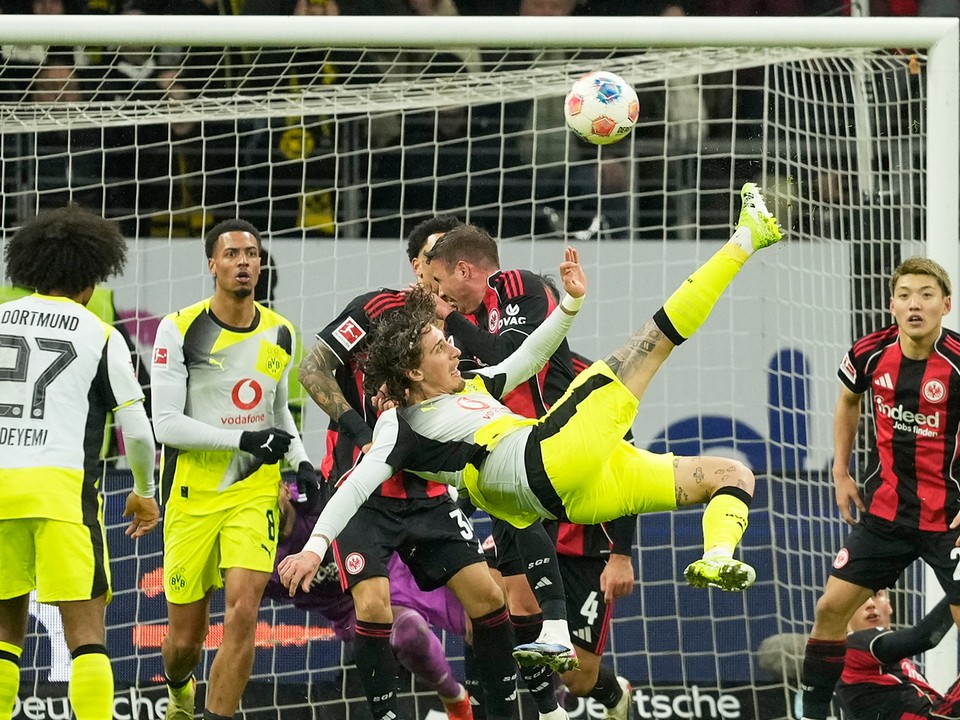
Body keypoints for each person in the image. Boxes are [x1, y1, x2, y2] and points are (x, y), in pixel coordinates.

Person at [281, 181, 782, 606]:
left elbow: (526, 358)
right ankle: (746, 237)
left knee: (731, 474)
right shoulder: (399, 427)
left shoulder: (473, 385)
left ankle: (718, 556)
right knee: (651, 342)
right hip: (549, 457)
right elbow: (353, 484)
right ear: (413, 371)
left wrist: (569, 306)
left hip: (570, 498)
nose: (454, 351)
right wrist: (314, 546)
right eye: (440, 347)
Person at [296, 215, 521, 720]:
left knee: (487, 597)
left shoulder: (460, 328)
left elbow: (505, 372)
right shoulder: (377, 309)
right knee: (374, 608)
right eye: (436, 261)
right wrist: (360, 431)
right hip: (364, 486)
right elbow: (311, 368)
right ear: (420, 266)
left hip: (430, 490)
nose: (448, 276)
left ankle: (502, 711)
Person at [150, 218, 317, 720]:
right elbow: (165, 425)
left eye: (251, 253)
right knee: (185, 639)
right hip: (191, 492)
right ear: (212, 265)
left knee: (244, 611)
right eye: (231, 254)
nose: (243, 262)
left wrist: (301, 461)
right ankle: (180, 690)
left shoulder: (281, 332)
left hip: (254, 491)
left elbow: (277, 408)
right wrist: (243, 438)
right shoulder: (179, 328)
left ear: (260, 264)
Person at [0, 204, 160, 720]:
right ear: (92, 279)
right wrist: (143, 489)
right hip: (63, 496)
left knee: (4, 633)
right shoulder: (100, 333)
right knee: (86, 635)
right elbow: (136, 429)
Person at [799, 255, 960, 720]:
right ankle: (812, 715)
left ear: (945, 305)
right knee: (830, 610)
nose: (915, 304)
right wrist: (841, 472)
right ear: (891, 304)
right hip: (886, 514)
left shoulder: (958, 363)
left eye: (926, 295)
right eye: (906, 295)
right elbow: (848, 400)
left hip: (946, 518)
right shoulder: (868, 352)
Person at [263, 481, 473, 720]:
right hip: (352, 611)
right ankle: (454, 697)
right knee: (409, 633)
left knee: (480, 615)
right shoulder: (262, 566)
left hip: (397, 569)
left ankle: (486, 699)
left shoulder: (314, 497)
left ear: (281, 488)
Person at [833, 589, 960, 720]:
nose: (870, 603)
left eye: (877, 594)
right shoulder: (850, 648)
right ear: (845, 616)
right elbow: (925, 637)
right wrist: (955, 589)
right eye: (858, 599)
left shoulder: (896, 667)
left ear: (889, 606)